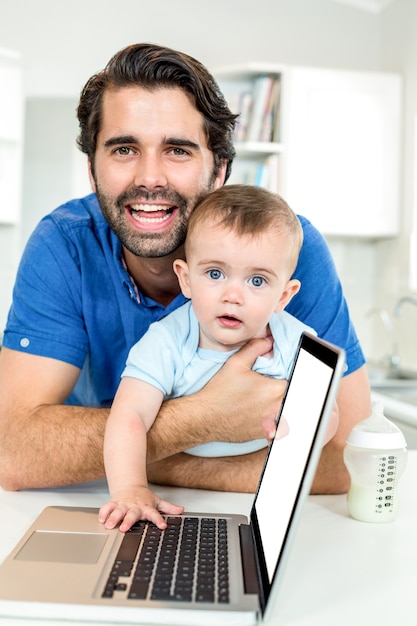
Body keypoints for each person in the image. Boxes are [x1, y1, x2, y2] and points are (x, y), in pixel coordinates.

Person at [0, 43, 371, 495]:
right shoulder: (65, 244)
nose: (150, 177)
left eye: (177, 150)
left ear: (219, 171)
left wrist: (129, 453)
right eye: (123, 149)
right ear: (93, 172)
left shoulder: (285, 250)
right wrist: (203, 419)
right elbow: (13, 453)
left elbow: (350, 458)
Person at [99, 184, 338, 532]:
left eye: (257, 280)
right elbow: (129, 417)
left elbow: (330, 411)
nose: (232, 295)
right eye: (215, 274)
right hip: (179, 494)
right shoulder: (166, 342)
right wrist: (131, 489)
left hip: (256, 499)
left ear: (283, 296)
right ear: (186, 279)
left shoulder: (297, 341)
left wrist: (304, 429)